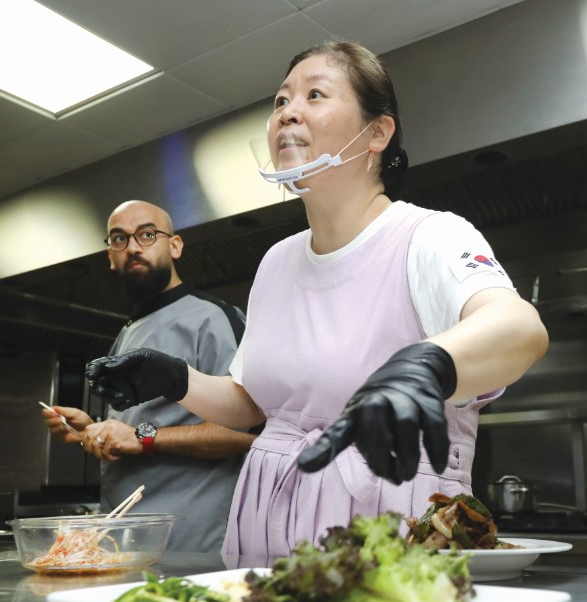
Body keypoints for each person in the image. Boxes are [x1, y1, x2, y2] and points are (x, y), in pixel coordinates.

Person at [85, 42, 548, 558]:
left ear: (377, 133)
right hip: (268, 525)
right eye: (281, 101)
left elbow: (519, 329)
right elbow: (255, 402)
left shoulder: (428, 236)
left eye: (315, 95)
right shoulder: (276, 262)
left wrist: (430, 365)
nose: (287, 113)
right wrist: (174, 379)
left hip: (390, 528)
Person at [41, 200, 256, 553]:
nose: (133, 247)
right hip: (121, 539)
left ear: (175, 246)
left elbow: (245, 432)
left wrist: (142, 438)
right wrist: (91, 431)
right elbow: (133, 433)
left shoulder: (212, 319)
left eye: (147, 234)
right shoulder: (128, 332)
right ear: (110, 257)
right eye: (119, 238)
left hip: (191, 543)